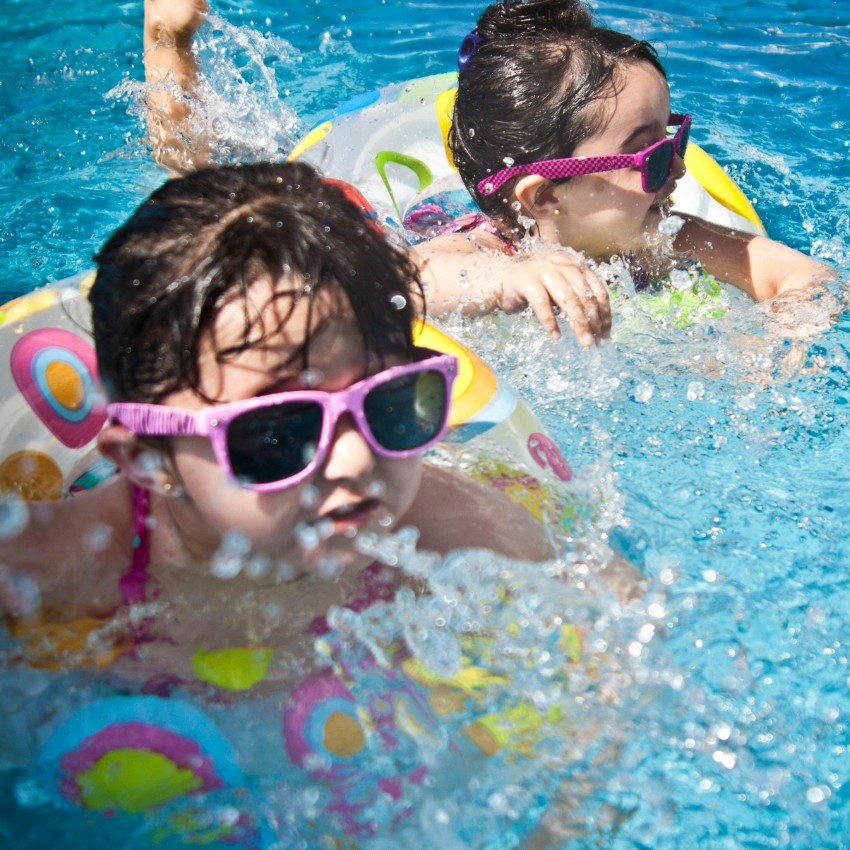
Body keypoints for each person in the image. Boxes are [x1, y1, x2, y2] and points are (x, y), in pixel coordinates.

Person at [0, 161, 555, 683]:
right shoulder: (55, 574)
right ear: (147, 458)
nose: (356, 458)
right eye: (278, 433)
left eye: (389, 403)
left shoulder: (458, 536)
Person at [141, 0, 834, 348]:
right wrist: (502, 279)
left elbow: (804, 276)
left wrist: (782, 340)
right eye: (652, 156)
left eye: (676, 139)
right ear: (541, 196)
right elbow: (385, 295)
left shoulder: (667, 233)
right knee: (199, 189)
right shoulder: (482, 250)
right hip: (408, 222)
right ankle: (168, 46)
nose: (676, 171)